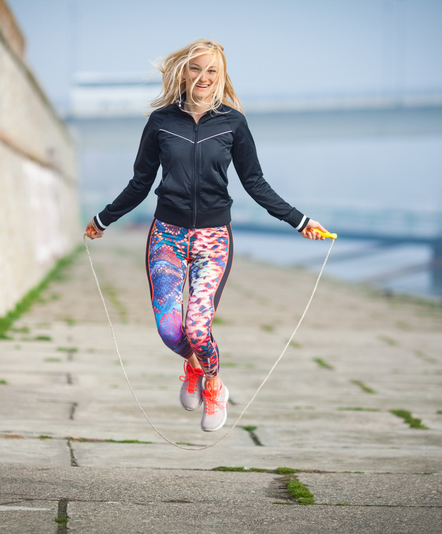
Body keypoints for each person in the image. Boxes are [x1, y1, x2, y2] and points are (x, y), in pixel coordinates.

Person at [85, 39, 330, 432]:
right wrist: (103, 218)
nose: (203, 77)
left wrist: (300, 222)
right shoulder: (161, 122)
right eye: (196, 68)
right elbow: (140, 183)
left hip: (213, 239)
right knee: (169, 330)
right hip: (167, 234)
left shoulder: (233, 123)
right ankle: (194, 366)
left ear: (221, 76)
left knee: (198, 327)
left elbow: (255, 183)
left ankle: (214, 383)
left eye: (211, 70)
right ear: (183, 71)